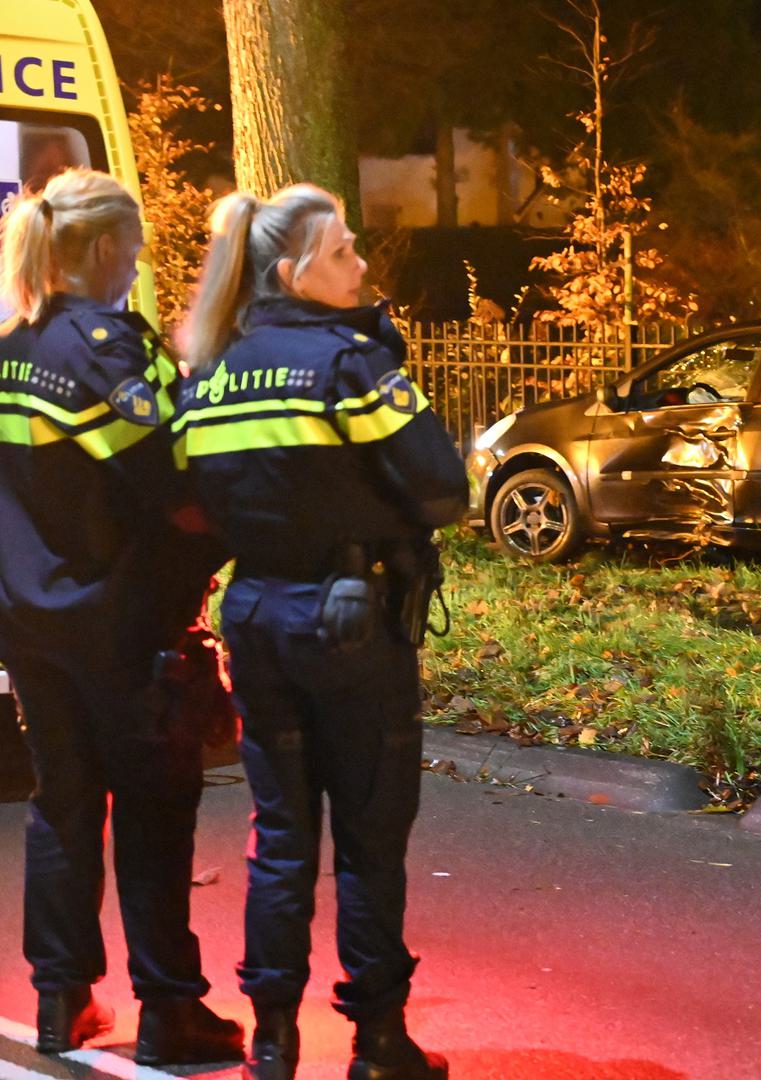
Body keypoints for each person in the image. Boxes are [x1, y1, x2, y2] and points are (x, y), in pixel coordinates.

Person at [176, 184, 466, 1080]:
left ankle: (272, 1040)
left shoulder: (213, 371)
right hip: (351, 625)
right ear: (295, 270)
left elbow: (190, 505)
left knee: (281, 837)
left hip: (256, 616)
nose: (363, 265)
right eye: (343, 251)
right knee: (370, 839)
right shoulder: (349, 364)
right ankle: (378, 1043)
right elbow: (444, 489)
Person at [0, 169, 243, 1064]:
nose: (135, 269)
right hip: (123, 620)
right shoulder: (106, 350)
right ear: (104, 248)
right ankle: (171, 1012)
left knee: (62, 803)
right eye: (134, 252)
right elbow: (176, 487)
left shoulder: (8, 343)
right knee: (152, 808)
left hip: (27, 619)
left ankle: (62, 1000)